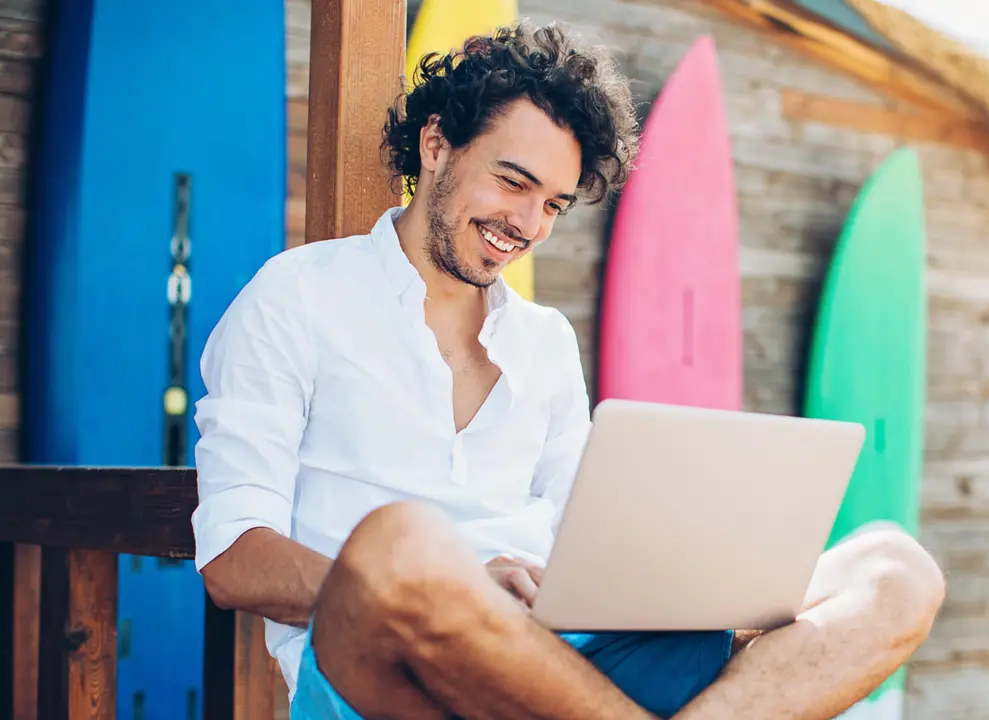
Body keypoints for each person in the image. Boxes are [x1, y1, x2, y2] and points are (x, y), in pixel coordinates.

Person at [191, 21, 945, 720]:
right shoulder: (296, 297)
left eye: (553, 204)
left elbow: (586, 531)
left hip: (559, 661)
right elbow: (231, 559)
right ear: (435, 144)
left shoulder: (544, 342)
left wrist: (691, 577)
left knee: (896, 569)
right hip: (386, 671)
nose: (527, 225)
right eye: (512, 183)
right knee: (405, 544)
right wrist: (456, 591)